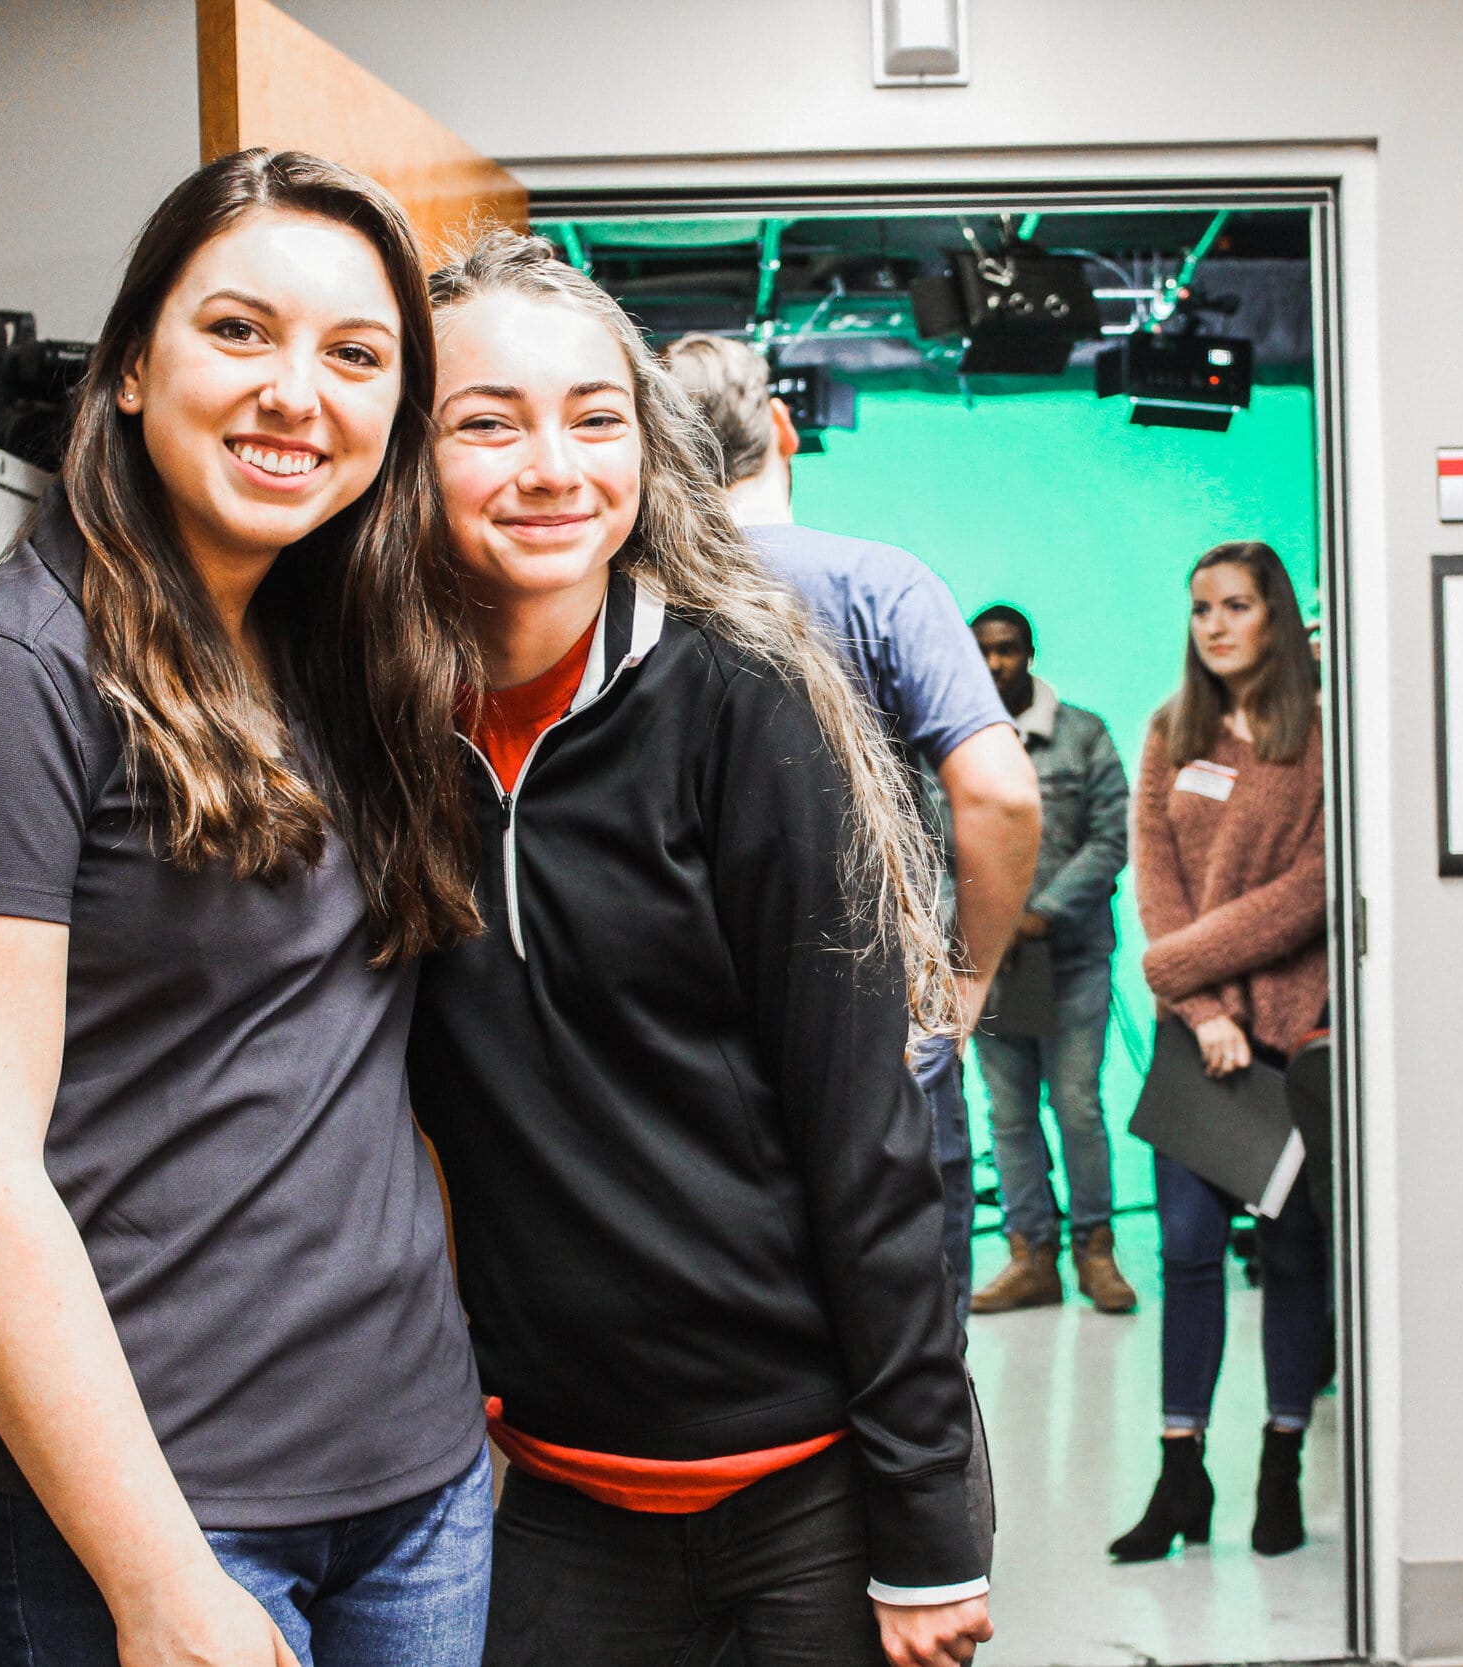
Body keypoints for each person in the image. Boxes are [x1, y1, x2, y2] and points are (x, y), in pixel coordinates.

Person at [0, 150, 493, 1667]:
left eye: (355, 356)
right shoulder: (5, 678)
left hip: (412, 1482)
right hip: (152, 1508)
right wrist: (151, 1573)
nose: (296, 393)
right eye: (238, 331)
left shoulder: (341, 657)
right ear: (133, 362)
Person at [409, 230, 993, 1667]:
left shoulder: (740, 699)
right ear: (404, 455)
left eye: (594, 417)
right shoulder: (374, 733)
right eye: (487, 421)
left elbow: (867, 1132)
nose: (554, 466)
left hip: (807, 1484)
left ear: (648, 447)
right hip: (549, 1484)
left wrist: (927, 1523)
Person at [662, 333, 1040, 1312]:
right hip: (885, 1049)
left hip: (695, 1073)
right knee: (914, 1368)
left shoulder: (633, 602)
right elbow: (1000, 794)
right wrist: (965, 983)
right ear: (782, 428)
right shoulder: (882, 585)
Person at [1108, 540, 1331, 1564]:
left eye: (1236, 604)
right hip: (1196, 1041)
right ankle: (1179, 1472)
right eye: (1201, 607)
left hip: (1296, 1037)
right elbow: (1153, 877)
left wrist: (1175, 964)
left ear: (1273, 616)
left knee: (1290, 1258)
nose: (1215, 624)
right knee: (1188, 1255)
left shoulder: (1322, 734)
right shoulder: (1172, 728)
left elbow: (1314, 890)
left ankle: (1279, 1458)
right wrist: (1197, 1006)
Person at [964, 604, 1139, 1316]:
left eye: (1008, 650)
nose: (996, 664)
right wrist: (979, 922)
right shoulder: (953, 742)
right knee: (1008, 1115)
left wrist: (1044, 913)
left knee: (1076, 1106)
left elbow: (1111, 837)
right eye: (984, 652)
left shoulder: (1084, 734)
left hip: (1070, 960)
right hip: (992, 963)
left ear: (1030, 653)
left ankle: (1094, 1248)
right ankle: (1029, 1254)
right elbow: (925, 844)